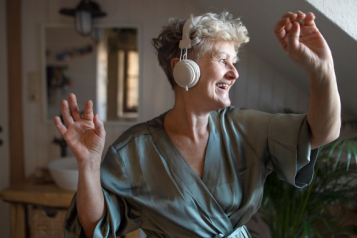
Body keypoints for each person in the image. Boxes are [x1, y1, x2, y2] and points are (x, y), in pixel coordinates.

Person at [56, 11, 341, 238]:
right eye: (223, 60)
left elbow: (321, 133)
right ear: (182, 67)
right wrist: (89, 165)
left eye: (235, 62)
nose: (234, 73)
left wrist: (321, 68)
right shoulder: (135, 150)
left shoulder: (246, 127)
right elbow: (96, 226)